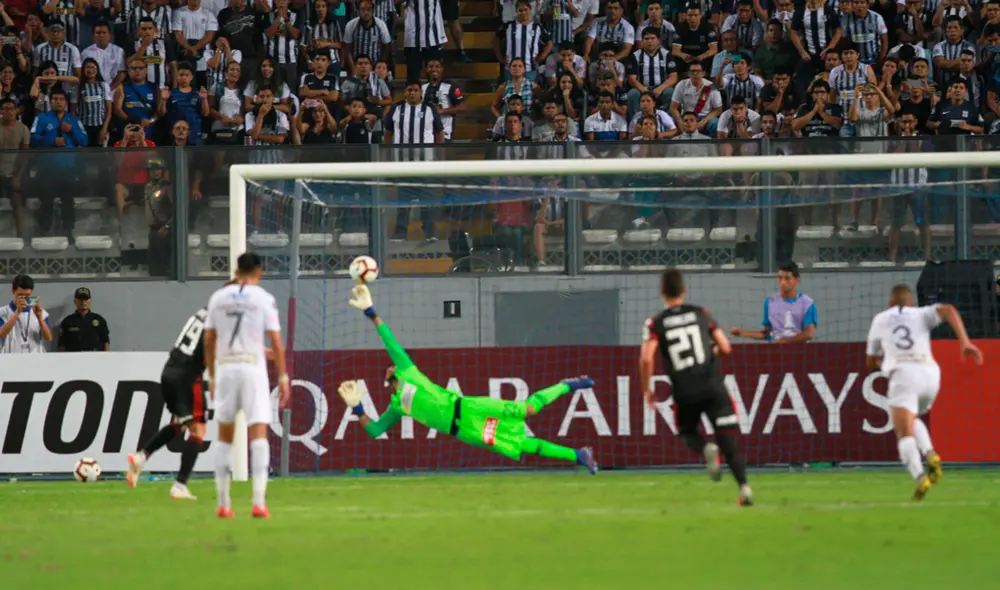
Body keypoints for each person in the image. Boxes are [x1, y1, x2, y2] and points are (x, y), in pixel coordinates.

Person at [337, 284, 598, 473]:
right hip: (465, 430)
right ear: (387, 380)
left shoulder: (407, 369)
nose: (390, 367)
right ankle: (579, 455)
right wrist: (357, 408)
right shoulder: (397, 406)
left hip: (470, 406)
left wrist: (370, 310)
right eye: (388, 370)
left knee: (528, 409)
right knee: (522, 445)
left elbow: (388, 339)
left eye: (391, 365)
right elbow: (374, 431)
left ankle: (568, 384)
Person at [638, 269, 752, 506]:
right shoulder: (701, 313)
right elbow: (725, 347)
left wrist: (647, 389)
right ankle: (744, 488)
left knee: (687, 431)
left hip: (685, 389)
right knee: (728, 440)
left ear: (661, 292)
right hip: (713, 385)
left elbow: (646, 358)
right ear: (685, 289)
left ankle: (706, 447)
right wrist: (711, 354)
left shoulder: (656, 322)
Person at [864, 284, 982, 500]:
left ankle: (920, 477)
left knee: (903, 432)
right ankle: (930, 454)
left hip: (904, 373)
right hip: (930, 373)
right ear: (911, 302)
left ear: (891, 303)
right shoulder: (921, 313)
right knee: (911, 417)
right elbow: (949, 310)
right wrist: (965, 342)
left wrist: (882, 365)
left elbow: (870, 361)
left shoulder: (880, 319)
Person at [126, 286, 234, 500]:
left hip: (170, 371)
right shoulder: (218, 322)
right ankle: (180, 485)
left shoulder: (203, 312)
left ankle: (142, 456)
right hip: (187, 378)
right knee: (198, 430)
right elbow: (209, 354)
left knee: (179, 423)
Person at [206, 253, 291, 519]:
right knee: (258, 435)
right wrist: (283, 376)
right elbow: (276, 341)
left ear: (236, 269)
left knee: (224, 436)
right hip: (253, 368)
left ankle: (223, 504)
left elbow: (209, 339)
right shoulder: (263, 298)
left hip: (227, 369)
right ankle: (258, 503)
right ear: (259, 271)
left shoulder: (218, 298)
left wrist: (211, 375)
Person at [731, 261, 818, 343]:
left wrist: (784, 341)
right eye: (780, 278)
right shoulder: (770, 302)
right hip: (776, 352)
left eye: (787, 278)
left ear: (797, 280)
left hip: (799, 353)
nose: (783, 282)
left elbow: (809, 334)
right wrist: (742, 332)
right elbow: (767, 334)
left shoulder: (807, 303)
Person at [0, 274, 52, 353]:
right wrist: (17, 313)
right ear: (13, 291)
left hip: (36, 359)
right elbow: (2, 335)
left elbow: (48, 338)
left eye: (27, 295)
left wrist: (40, 318)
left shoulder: (41, 312)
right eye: (20, 295)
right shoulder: (2, 312)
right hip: (11, 359)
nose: (24, 298)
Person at [58, 287, 110, 352]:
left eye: (86, 299)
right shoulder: (67, 321)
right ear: (75, 302)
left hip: (95, 357)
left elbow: (105, 342)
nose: (83, 302)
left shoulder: (99, 320)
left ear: (90, 301)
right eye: (80, 299)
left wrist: (105, 358)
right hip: (73, 358)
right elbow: (62, 345)